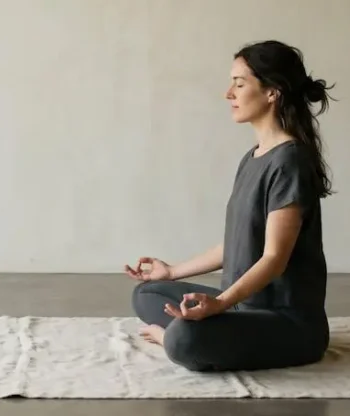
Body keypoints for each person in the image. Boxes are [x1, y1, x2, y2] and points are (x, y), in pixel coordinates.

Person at [124, 40, 334, 373]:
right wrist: (172, 271)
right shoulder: (253, 158)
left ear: (272, 92)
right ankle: (199, 334)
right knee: (148, 293)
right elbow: (238, 243)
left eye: (239, 84)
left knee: (183, 337)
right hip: (241, 308)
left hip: (288, 324)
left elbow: (274, 259)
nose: (228, 94)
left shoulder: (289, 162)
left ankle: (174, 341)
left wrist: (220, 303)